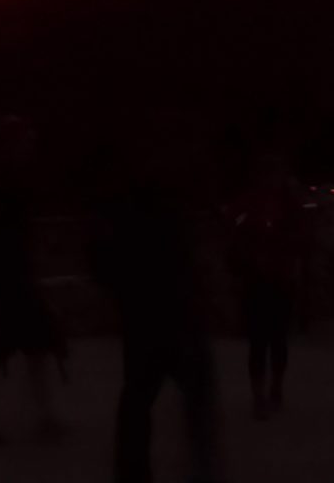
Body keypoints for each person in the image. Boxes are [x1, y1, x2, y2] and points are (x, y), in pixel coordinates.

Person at [93, 119, 222, 483]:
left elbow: (104, 260)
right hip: (164, 312)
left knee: (143, 398)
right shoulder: (148, 200)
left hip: (154, 313)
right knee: (163, 396)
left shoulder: (126, 201)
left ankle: (138, 474)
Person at [0, 115, 67, 443]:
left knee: (20, 347)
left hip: (11, 278)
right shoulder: (6, 186)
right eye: (25, 141)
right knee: (1, 349)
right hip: (8, 280)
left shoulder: (10, 183)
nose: (30, 147)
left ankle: (37, 416)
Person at [225, 151, 308, 420]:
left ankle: (276, 387)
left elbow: (300, 236)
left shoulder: (289, 203)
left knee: (278, 338)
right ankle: (260, 393)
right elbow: (234, 231)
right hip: (257, 279)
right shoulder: (248, 202)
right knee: (259, 341)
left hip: (280, 277)